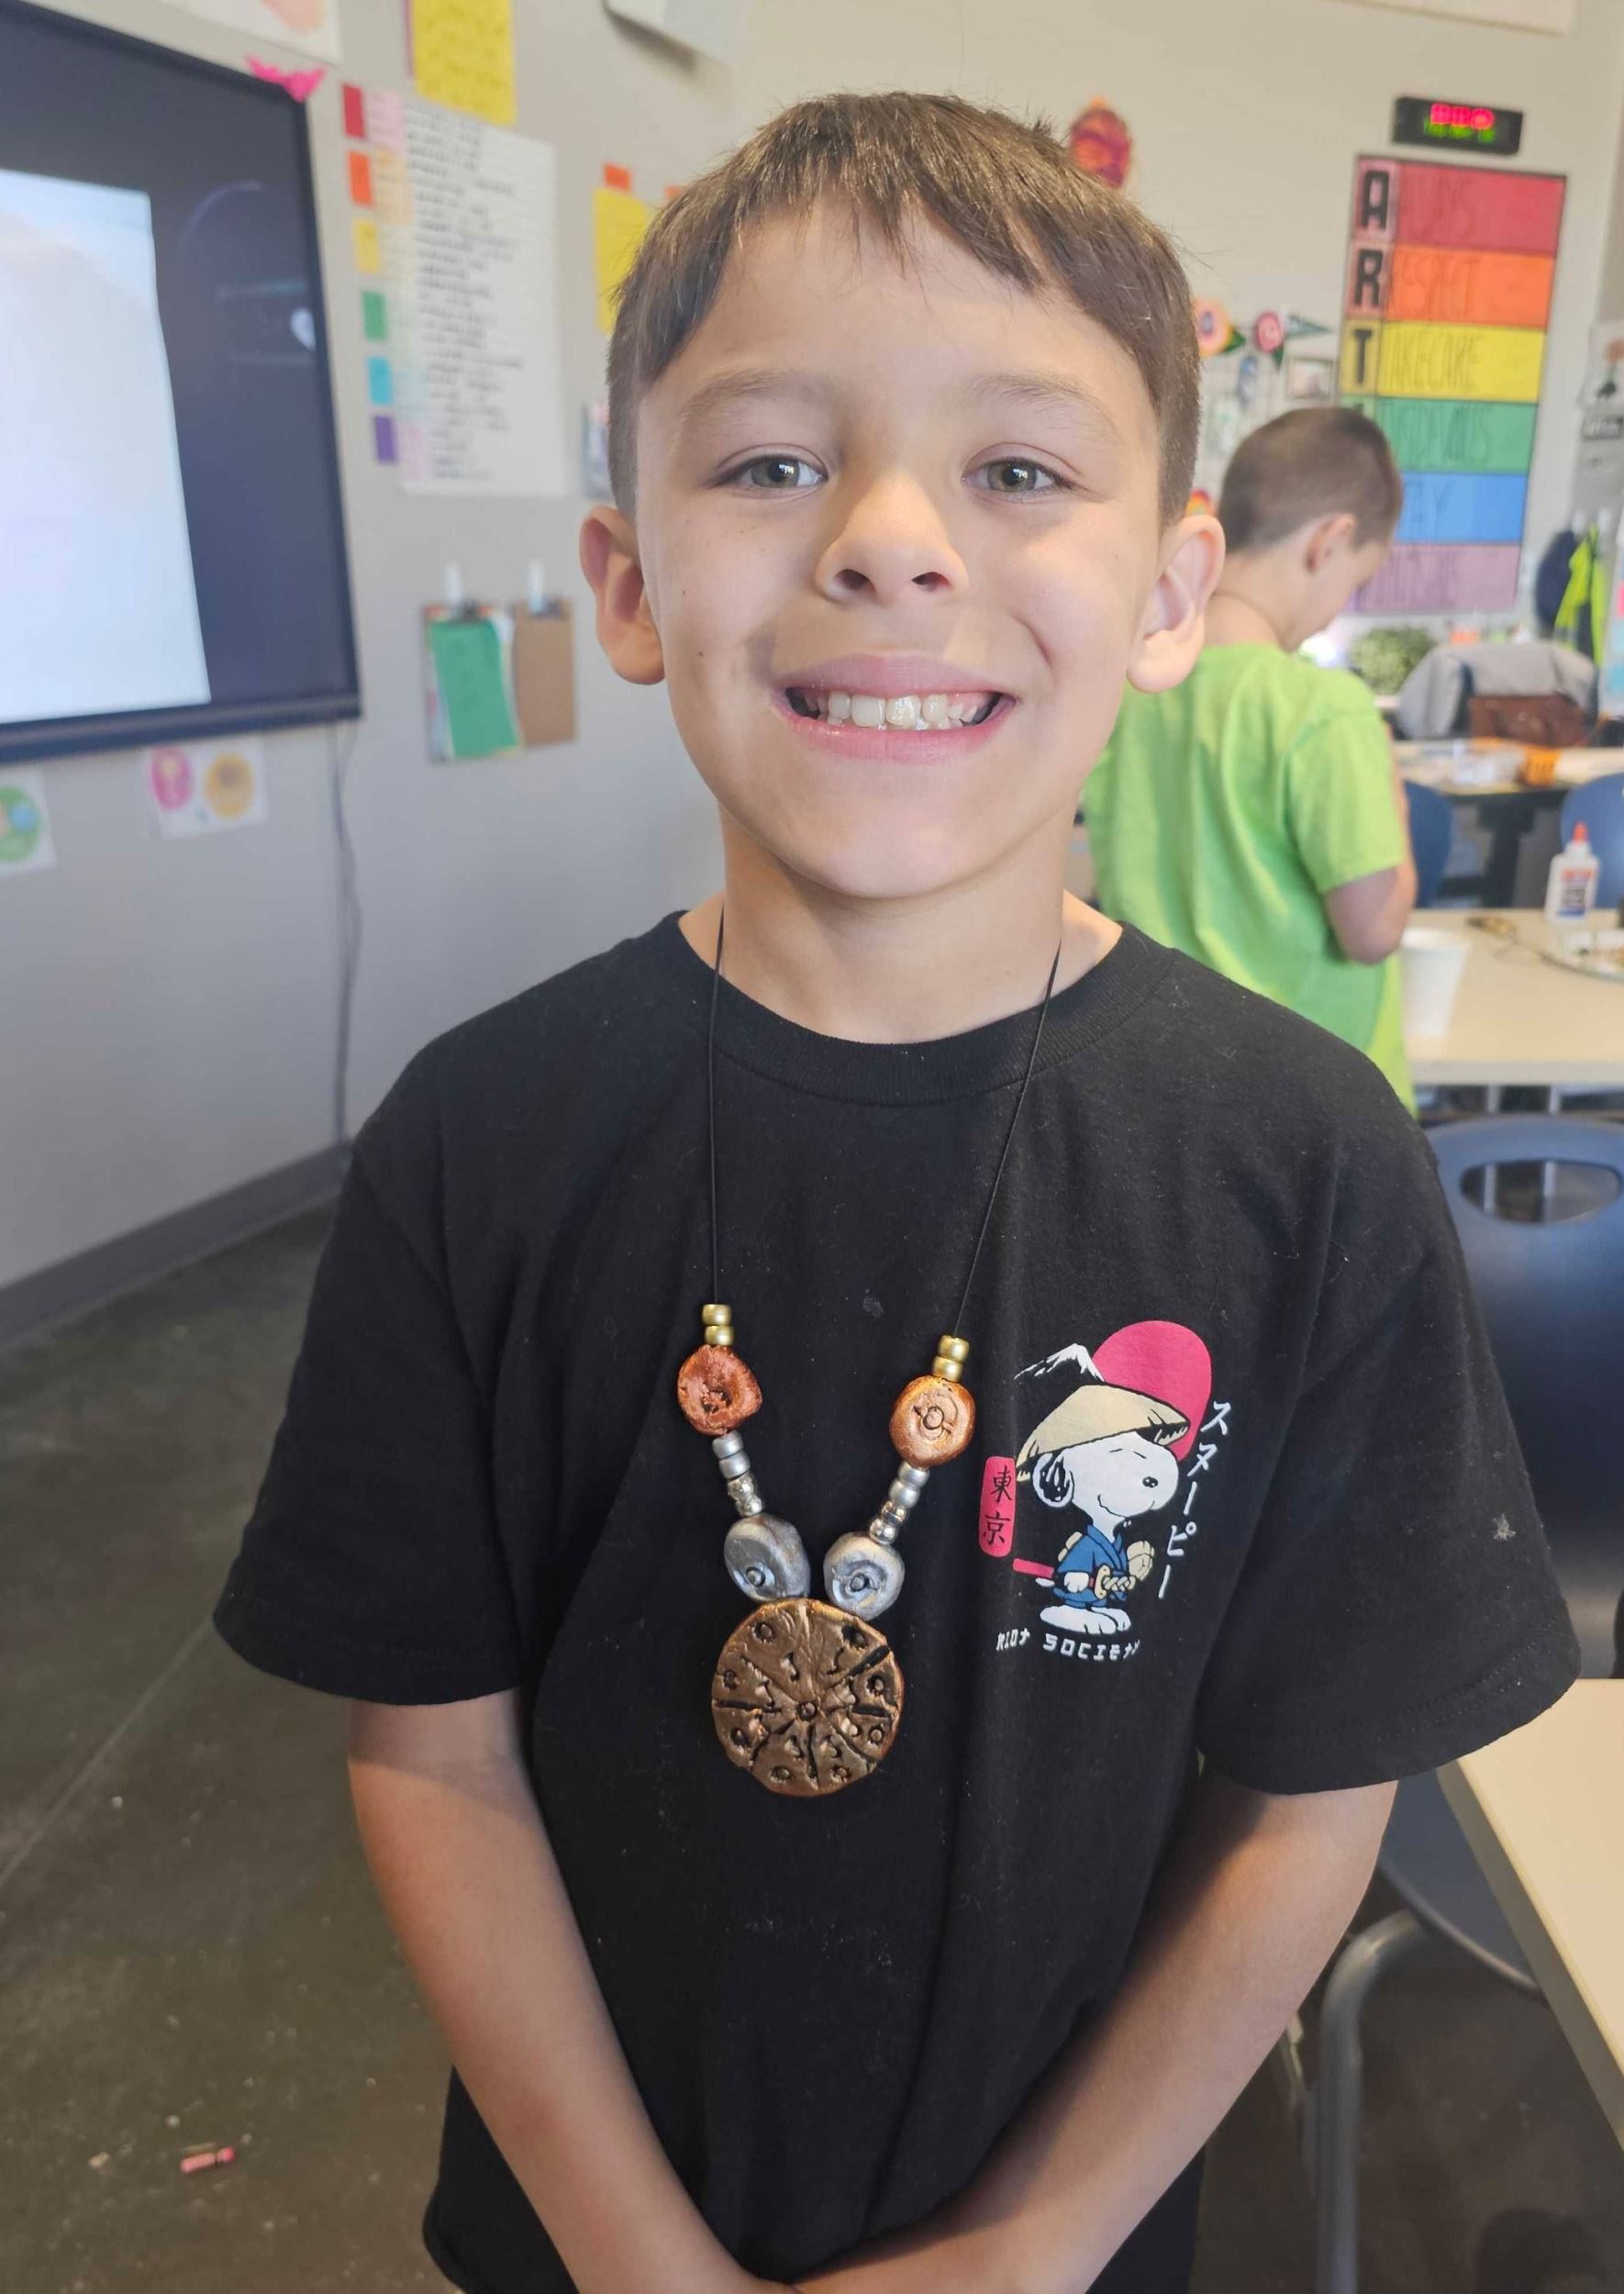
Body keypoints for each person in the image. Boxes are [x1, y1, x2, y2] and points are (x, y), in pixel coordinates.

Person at [215, 95, 1577, 2294]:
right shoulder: (480, 1138)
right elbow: (434, 1756)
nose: (887, 539)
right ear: (630, 584)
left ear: (1167, 595)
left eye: (1017, 469)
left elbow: (1310, 1788)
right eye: (770, 461)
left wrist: (1032, 2247)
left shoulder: (1302, 1160)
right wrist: (637, 2262)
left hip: (1077, 2239)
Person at [1086, 407, 1418, 1103]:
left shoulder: (1129, 689)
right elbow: (1373, 930)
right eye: (1354, 583)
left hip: (1164, 1083)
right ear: (1329, 541)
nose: (1336, 610)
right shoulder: (1323, 708)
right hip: (1313, 1106)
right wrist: (1390, 785)